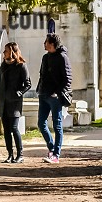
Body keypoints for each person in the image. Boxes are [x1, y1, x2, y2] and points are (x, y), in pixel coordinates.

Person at [36, 33, 72, 163]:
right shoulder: (45, 57)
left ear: (52, 44)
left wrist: (57, 92)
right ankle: (51, 148)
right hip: (43, 94)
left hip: (55, 97)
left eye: (46, 42)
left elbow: (67, 79)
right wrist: (39, 89)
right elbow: (42, 75)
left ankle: (56, 154)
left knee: (57, 125)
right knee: (41, 123)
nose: (44, 44)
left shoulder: (63, 58)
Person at [0, 42, 32, 163]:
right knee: (6, 129)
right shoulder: (3, 66)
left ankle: (20, 154)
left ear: (12, 51)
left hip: (15, 102)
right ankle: (10, 154)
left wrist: (19, 93)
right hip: (3, 101)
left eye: (5, 50)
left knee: (14, 128)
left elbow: (28, 84)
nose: (4, 53)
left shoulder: (21, 66)